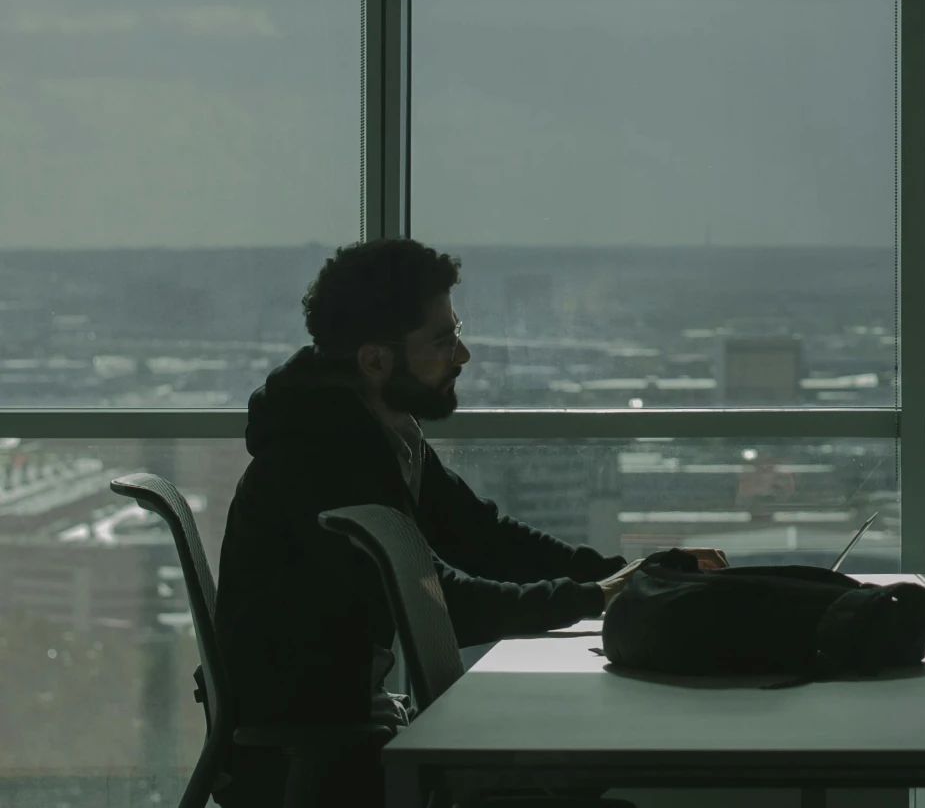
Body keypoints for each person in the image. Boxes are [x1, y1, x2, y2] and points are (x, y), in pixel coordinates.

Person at [211, 238, 725, 807]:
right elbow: (434, 604)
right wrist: (593, 596)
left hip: (351, 730)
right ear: (375, 360)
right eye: (442, 339)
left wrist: (625, 576)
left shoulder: (374, 431)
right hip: (315, 765)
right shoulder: (320, 461)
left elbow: (483, 538)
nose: (462, 356)